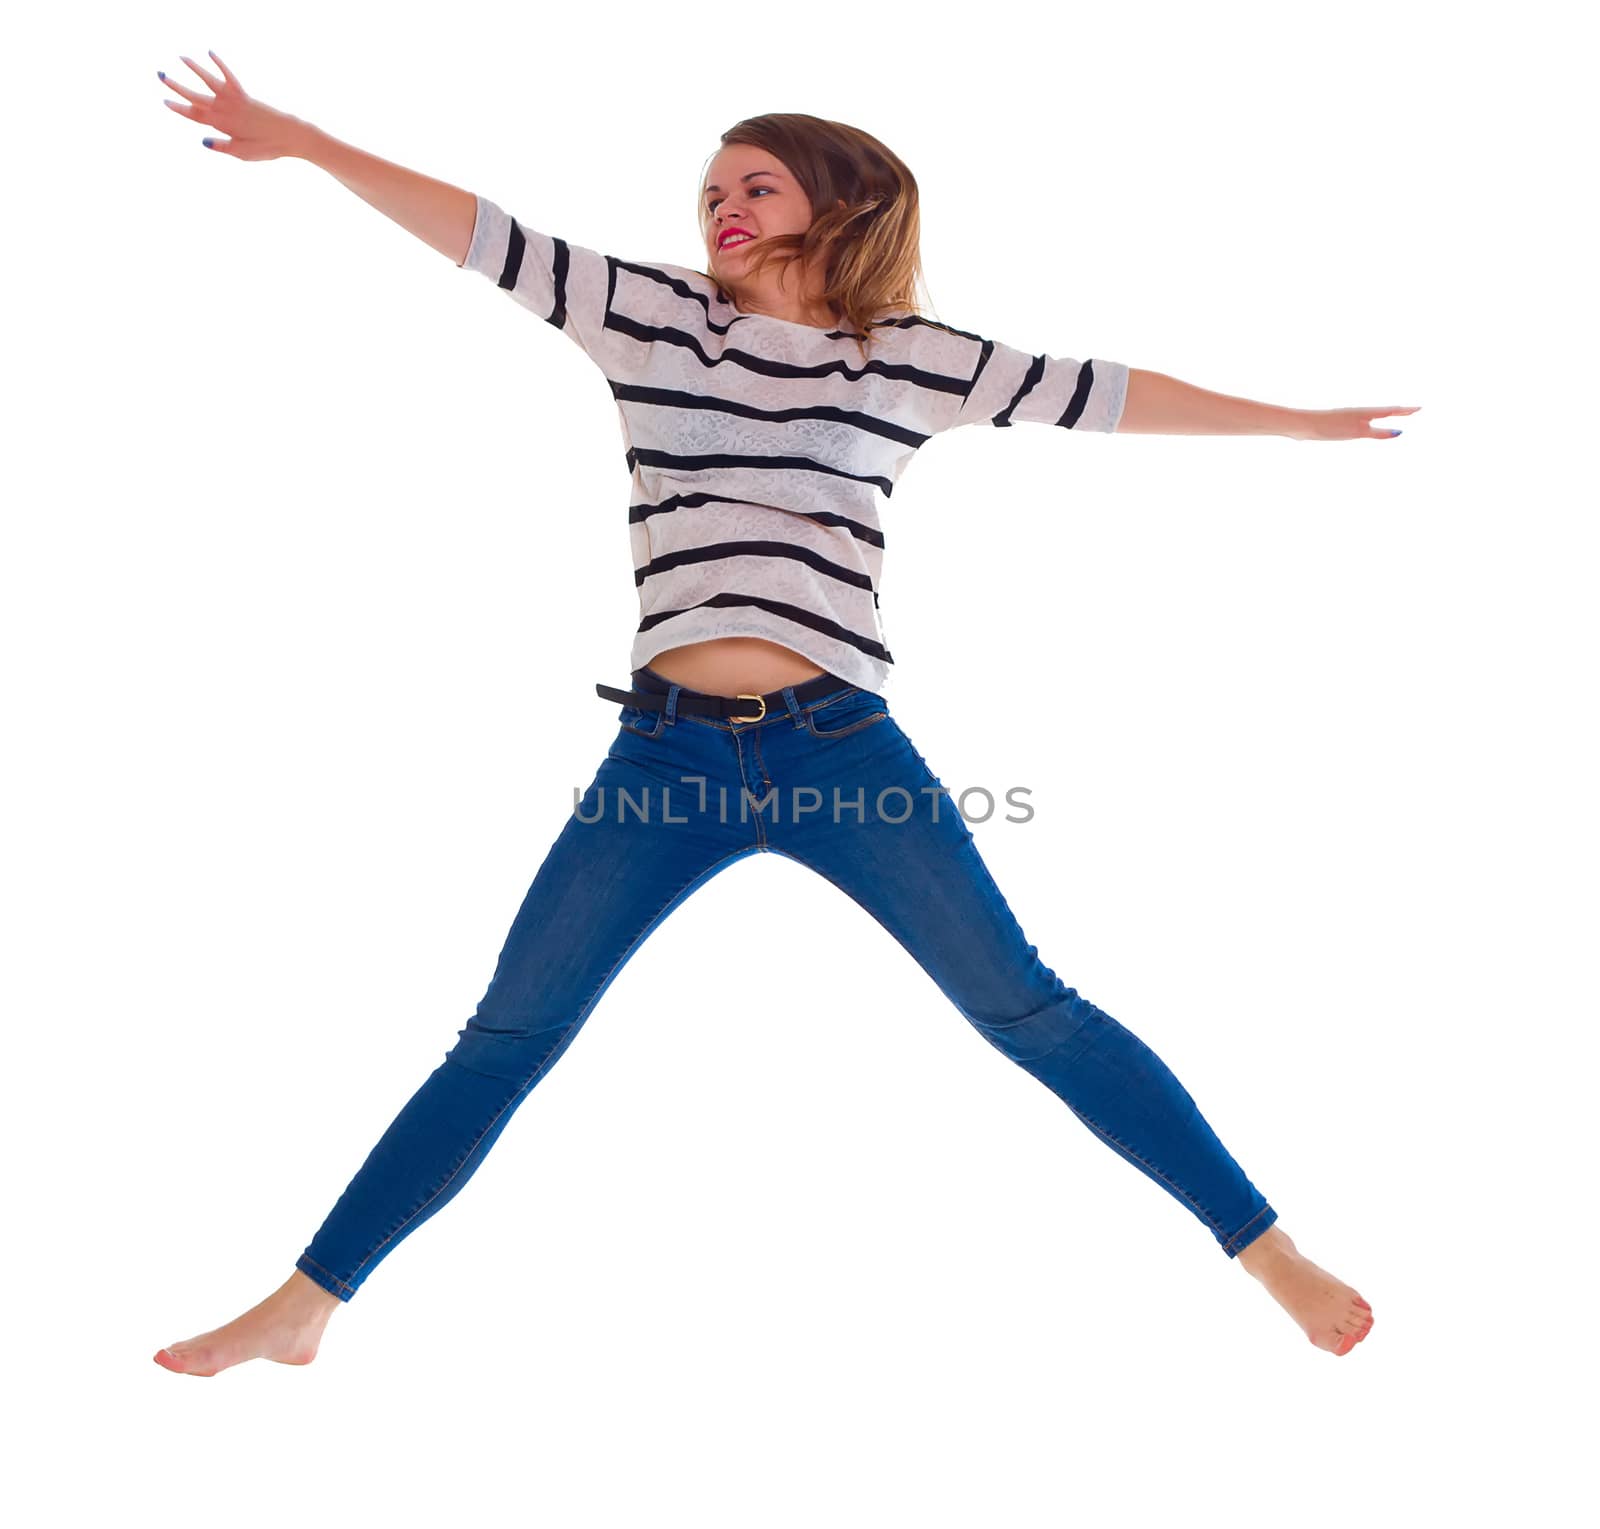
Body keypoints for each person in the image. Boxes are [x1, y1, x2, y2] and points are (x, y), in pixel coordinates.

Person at [153, 50, 1405, 1377]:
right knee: (507, 1036)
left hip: (840, 751)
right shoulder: (645, 318)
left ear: (842, 204)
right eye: (709, 189)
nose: (721, 206)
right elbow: (485, 232)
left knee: (1028, 1011)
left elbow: (1097, 392)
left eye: (757, 183)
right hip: (662, 759)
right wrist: (306, 143)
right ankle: (306, 1304)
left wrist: (1296, 426)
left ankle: (1268, 1251)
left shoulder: (911, 359)